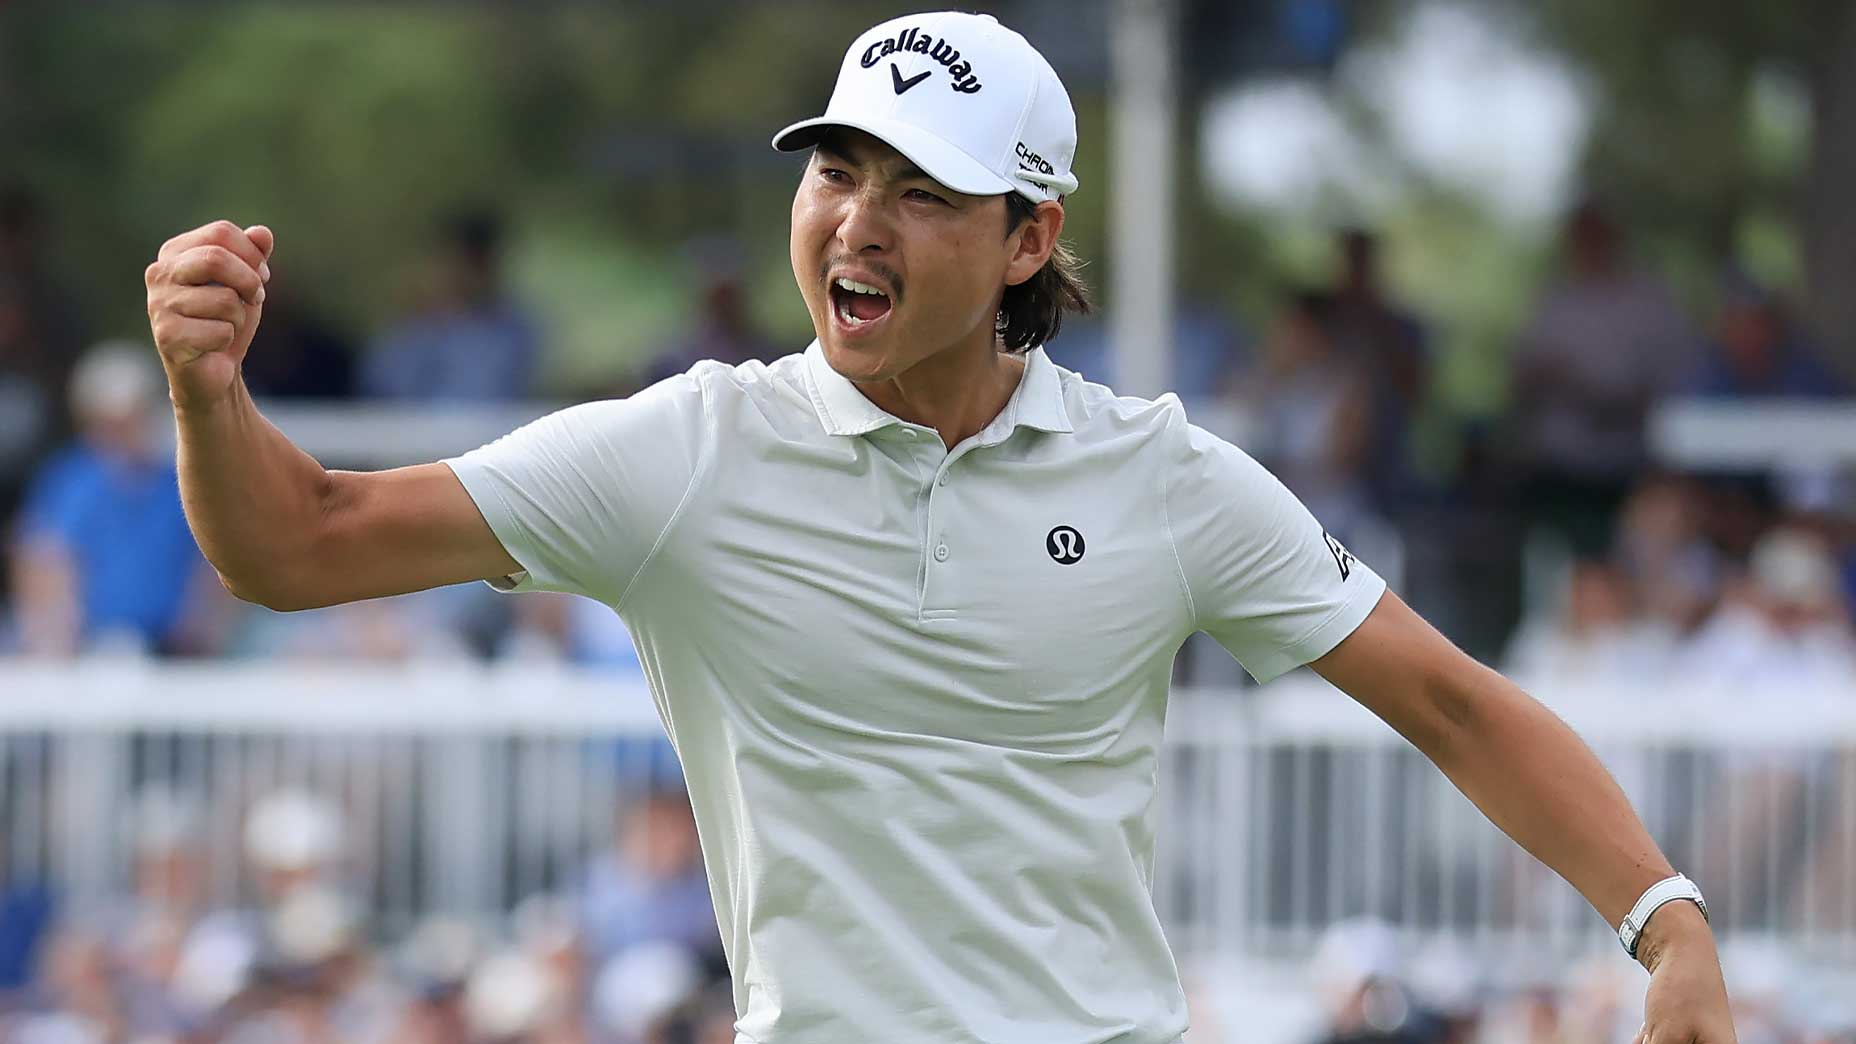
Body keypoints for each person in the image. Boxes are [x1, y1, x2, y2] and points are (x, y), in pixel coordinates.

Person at [142, 12, 1736, 1042]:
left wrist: (1667, 924)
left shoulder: (1162, 478)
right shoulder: (684, 451)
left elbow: (1450, 699)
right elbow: (298, 546)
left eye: (917, 189)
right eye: (836, 168)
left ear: (1027, 237)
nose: (854, 218)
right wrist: (211, 395)